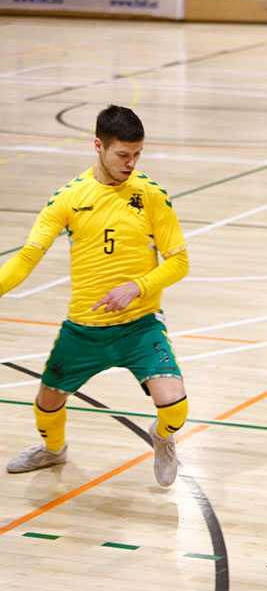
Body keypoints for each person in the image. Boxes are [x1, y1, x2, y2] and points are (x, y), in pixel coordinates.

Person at [0, 105, 189, 487]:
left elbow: (179, 261)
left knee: (174, 404)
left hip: (140, 325)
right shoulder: (67, 199)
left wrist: (137, 286)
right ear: (98, 146)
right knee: (47, 404)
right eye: (123, 154)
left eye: (137, 154)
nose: (131, 163)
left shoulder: (152, 195)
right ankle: (53, 451)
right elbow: (25, 259)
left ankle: (163, 437)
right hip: (84, 329)